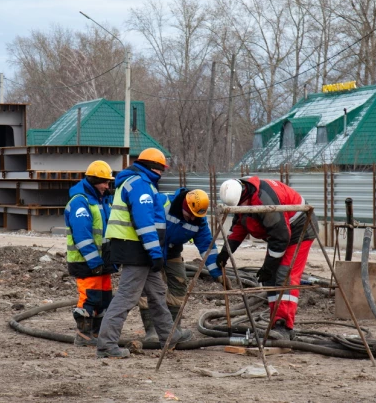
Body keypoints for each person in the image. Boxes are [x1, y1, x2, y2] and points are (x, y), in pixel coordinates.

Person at [96, 148, 192, 358]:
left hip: (137, 247)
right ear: (152, 167)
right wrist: (155, 253)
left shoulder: (143, 183)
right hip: (135, 248)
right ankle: (106, 345)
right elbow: (145, 223)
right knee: (127, 297)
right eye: (160, 169)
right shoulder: (139, 184)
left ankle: (169, 337)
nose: (162, 173)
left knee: (157, 294)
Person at [217, 177, 318, 340]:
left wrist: (268, 266)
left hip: (300, 229)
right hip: (281, 234)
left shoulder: (264, 200)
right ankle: (276, 321)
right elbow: (240, 226)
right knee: (270, 279)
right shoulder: (242, 197)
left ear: (244, 196)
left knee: (285, 276)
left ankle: (284, 325)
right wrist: (225, 252)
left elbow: (281, 237)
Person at [139, 188, 228, 342]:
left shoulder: (198, 220)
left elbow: (208, 247)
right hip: (150, 250)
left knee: (179, 285)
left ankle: (173, 328)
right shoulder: (161, 203)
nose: (193, 219)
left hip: (172, 252)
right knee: (149, 288)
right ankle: (152, 330)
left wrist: (218, 274)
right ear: (184, 206)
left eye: (196, 216)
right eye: (190, 215)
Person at [64, 160, 117, 347]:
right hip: (86, 262)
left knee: (104, 299)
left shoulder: (102, 200)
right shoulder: (81, 201)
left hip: (102, 261)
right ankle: (83, 335)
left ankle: (96, 333)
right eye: (104, 182)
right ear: (93, 181)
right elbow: (82, 235)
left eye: (108, 182)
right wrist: (94, 261)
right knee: (89, 297)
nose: (106, 186)